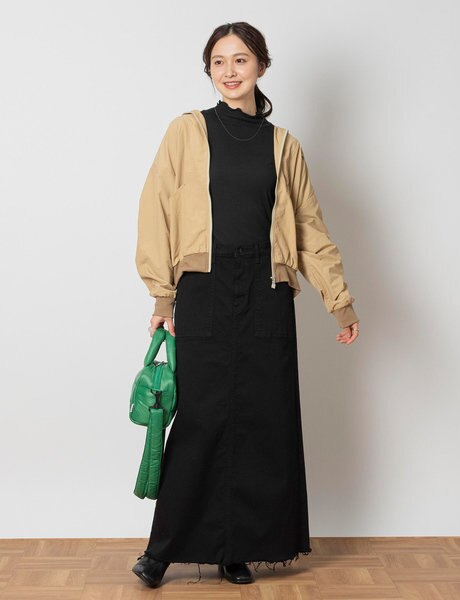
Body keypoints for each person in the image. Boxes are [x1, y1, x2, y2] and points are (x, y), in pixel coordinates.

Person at [131, 21, 360, 589]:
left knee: (261, 420)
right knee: (201, 419)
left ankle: (238, 548)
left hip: (268, 290)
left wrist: (340, 302)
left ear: (261, 64)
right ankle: (161, 551)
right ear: (208, 71)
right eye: (218, 62)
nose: (229, 71)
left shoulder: (284, 145)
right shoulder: (186, 132)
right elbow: (156, 210)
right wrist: (163, 294)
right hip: (204, 287)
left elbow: (308, 228)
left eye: (240, 60)